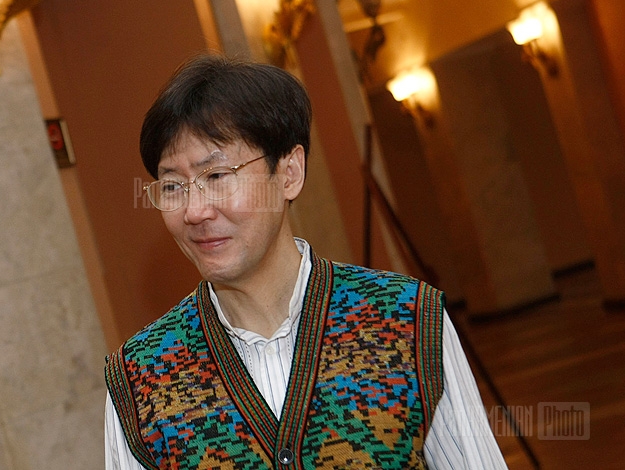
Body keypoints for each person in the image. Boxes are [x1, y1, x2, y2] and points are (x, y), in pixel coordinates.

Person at [104, 53, 507, 469]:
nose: (195, 211)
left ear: (290, 172)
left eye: (217, 177)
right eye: (172, 186)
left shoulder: (408, 320)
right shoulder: (139, 379)